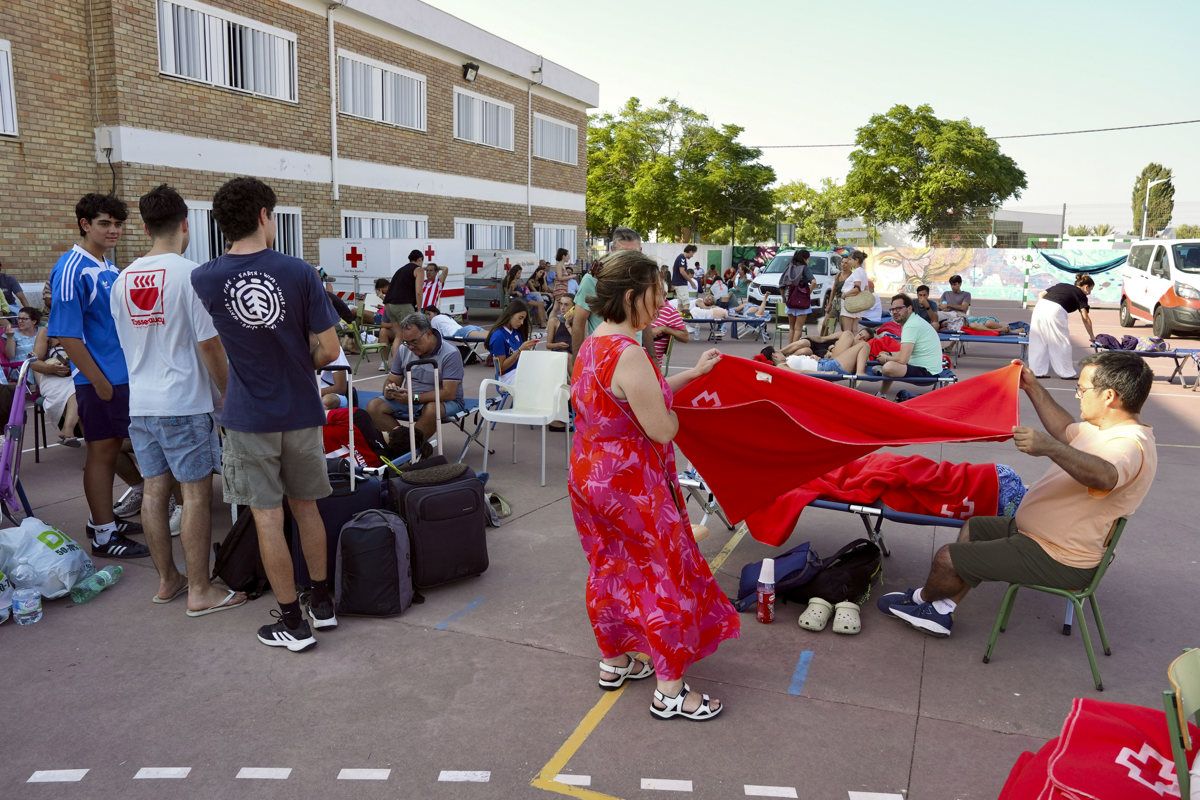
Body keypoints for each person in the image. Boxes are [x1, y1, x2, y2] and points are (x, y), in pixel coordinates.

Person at [568, 248, 739, 721]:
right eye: (657, 293)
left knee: (609, 566)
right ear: (631, 297)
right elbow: (661, 428)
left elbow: (638, 395)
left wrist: (693, 374)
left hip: (590, 476)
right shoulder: (631, 354)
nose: (663, 302)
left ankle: (615, 660)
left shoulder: (593, 344)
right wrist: (690, 420)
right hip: (630, 485)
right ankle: (670, 690)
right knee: (660, 573)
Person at [877, 352, 1157, 637]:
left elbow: (1105, 476)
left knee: (947, 558)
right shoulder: (1103, 430)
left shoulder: (1130, 445)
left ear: (1109, 396)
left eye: (1082, 390)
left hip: (1058, 555)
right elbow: (1064, 429)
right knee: (974, 527)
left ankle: (923, 600)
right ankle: (941, 609)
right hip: (1041, 536)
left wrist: (1050, 448)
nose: (1078, 396)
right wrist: (1032, 386)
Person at [191, 177, 341, 653]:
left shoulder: (205, 278)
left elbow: (212, 343)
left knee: (267, 518)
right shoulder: (299, 272)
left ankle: (293, 623)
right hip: (301, 410)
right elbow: (330, 349)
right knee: (307, 508)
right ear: (262, 215)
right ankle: (322, 603)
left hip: (248, 415)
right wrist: (300, 361)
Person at [111, 184, 244, 616]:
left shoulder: (122, 279)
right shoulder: (191, 275)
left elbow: (126, 341)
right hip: (183, 401)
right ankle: (200, 589)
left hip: (142, 402)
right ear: (186, 224)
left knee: (154, 489)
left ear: (145, 227)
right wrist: (229, 395)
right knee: (196, 494)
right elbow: (210, 344)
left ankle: (168, 580)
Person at [48, 193, 147, 558]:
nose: (113, 230)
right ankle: (104, 536)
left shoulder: (108, 265)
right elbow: (67, 334)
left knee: (111, 450)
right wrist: (100, 382)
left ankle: (101, 520)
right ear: (85, 224)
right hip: (100, 381)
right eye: (105, 223)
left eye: (118, 224)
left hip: (120, 377)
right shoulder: (72, 267)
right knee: (102, 454)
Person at [365, 312, 466, 451]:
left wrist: (414, 398)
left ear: (429, 333)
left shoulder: (450, 353)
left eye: (414, 341)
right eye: (406, 342)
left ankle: (406, 449)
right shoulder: (403, 349)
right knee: (374, 406)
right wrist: (390, 390)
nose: (411, 347)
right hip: (411, 398)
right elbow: (393, 379)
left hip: (445, 401)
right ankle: (408, 446)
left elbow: (449, 393)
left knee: (432, 409)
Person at [573, 226, 641, 352]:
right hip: (603, 356)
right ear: (612, 250)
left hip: (635, 354)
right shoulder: (592, 279)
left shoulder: (642, 278)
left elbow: (645, 321)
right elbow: (578, 323)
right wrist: (578, 360)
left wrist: (652, 356)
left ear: (641, 251)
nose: (628, 258)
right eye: (622, 253)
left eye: (634, 253)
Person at [1028, 274, 1096, 380]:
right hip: (1055, 310)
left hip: (1040, 307)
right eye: (1090, 290)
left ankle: (1037, 371)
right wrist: (1092, 336)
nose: (1089, 293)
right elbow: (1085, 318)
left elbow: (1041, 294)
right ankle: (1066, 373)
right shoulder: (1081, 294)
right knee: (1060, 342)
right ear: (1086, 287)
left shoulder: (1062, 285)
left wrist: (1045, 307)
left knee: (1038, 340)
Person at [878, 294, 944, 383]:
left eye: (899, 308)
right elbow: (905, 353)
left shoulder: (911, 325)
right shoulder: (914, 320)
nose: (894, 312)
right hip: (929, 367)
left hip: (927, 371)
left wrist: (886, 359)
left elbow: (903, 360)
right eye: (892, 309)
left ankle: (882, 373)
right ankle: (882, 389)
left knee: (889, 367)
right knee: (890, 361)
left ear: (909, 308)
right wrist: (889, 354)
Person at [487, 299, 538, 386]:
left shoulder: (516, 332)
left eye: (523, 319)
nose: (522, 323)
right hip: (506, 377)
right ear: (511, 314)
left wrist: (528, 350)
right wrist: (519, 350)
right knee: (534, 383)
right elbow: (501, 368)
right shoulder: (498, 336)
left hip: (518, 372)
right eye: (520, 318)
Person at [778, 249, 817, 345]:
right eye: (808, 259)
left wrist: (784, 299)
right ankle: (793, 349)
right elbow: (814, 282)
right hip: (802, 302)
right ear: (805, 258)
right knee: (798, 328)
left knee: (791, 328)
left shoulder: (789, 267)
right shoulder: (805, 268)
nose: (808, 261)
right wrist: (807, 293)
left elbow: (781, 285)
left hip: (790, 300)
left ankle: (788, 348)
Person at [381, 248, 423, 335]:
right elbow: (419, 292)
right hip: (403, 305)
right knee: (412, 335)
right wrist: (419, 311)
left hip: (389, 306)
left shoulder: (400, 270)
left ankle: (396, 345)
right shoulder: (419, 269)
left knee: (400, 335)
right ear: (419, 259)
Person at [641, 296, 689, 371]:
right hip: (631, 357)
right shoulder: (641, 306)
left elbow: (685, 337)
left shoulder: (669, 310)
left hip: (649, 364)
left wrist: (664, 329)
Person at [839, 250, 881, 333]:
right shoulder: (863, 272)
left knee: (847, 332)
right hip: (857, 304)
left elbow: (857, 288)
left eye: (850, 259)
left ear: (856, 260)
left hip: (850, 303)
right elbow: (866, 289)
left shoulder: (857, 272)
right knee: (854, 330)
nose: (849, 262)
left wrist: (845, 295)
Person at [5, 307, 41, 379]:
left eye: (24, 319)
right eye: (19, 318)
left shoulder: (41, 332)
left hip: (40, 365)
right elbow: (10, 355)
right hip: (21, 369)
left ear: (34, 321)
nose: (20, 321)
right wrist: (10, 337)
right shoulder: (13, 333)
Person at [423, 305, 487, 342]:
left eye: (429, 314)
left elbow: (436, 336)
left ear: (435, 313)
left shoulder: (434, 319)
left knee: (489, 338)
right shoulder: (445, 316)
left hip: (460, 333)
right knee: (490, 337)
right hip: (466, 329)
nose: (427, 317)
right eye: (425, 315)